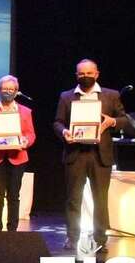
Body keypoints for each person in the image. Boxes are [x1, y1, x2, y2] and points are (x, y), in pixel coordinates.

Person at [53, 59, 126, 253]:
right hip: (75, 154)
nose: (85, 76)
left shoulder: (111, 95)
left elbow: (124, 120)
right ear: (76, 75)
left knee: (100, 199)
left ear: (97, 74)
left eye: (89, 73)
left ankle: (100, 239)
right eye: (81, 74)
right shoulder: (67, 96)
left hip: (100, 155)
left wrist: (112, 122)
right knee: (73, 199)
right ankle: (72, 236)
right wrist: (64, 132)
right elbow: (58, 122)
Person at [0, 75, 36, 231]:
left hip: (17, 158)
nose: (8, 92)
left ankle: (12, 230)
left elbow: (31, 134)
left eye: (11, 89)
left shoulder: (25, 112)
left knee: (13, 196)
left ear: (16, 91)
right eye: (5, 89)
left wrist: (25, 141)